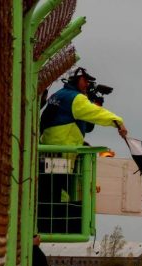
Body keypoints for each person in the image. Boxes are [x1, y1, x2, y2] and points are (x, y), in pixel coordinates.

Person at [38, 68, 128, 234]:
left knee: (50, 192)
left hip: (49, 154)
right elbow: (95, 114)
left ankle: (46, 224)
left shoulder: (58, 95)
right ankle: (54, 226)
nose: (87, 84)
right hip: (61, 156)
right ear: (76, 80)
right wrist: (118, 122)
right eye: (85, 80)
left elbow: (86, 125)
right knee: (59, 194)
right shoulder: (76, 99)